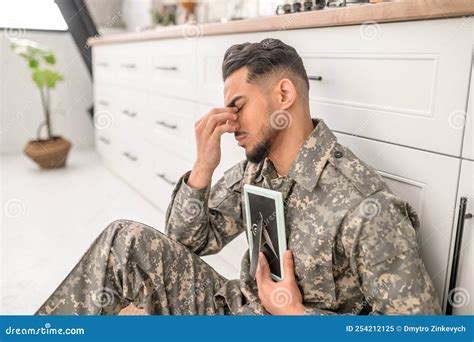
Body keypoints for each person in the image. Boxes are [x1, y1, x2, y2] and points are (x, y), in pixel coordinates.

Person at [36, 38, 442, 315]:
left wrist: (296, 316)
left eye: (238, 105)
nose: (229, 122)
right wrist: (203, 168)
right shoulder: (257, 169)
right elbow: (188, 241)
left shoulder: (365, 209)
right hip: (238, 309)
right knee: (123, 240)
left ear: (283, 96)